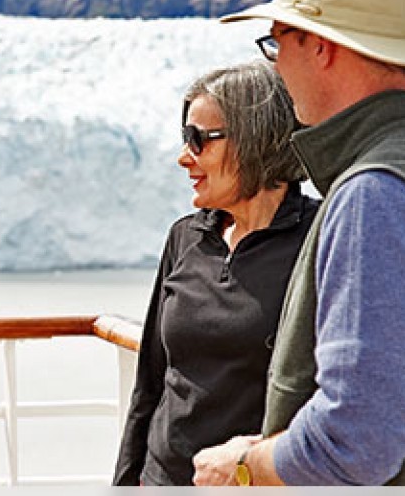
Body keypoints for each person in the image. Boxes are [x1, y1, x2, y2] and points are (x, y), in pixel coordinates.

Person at [193, 0, 405, 486]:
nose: (276, 67)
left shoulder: (377, 194)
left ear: (321, 46)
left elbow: (359, 438)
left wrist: (245, 466)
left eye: (277, 43)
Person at [113, 61, 318, 486]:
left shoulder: (319, 238)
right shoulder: (185, 237)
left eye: (197, 139)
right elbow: (150, 383)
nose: (183, 157)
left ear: (254, 137)